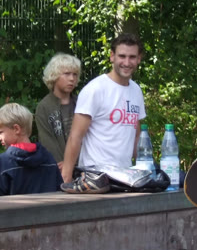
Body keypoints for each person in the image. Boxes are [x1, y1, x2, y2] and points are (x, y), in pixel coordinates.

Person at [60, 33, 146, 187]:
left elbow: (136, 133)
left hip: (125, 176)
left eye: (132, 57)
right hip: (95, 177)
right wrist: (66, 179)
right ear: (112, 56)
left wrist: (145, 167)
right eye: (122, 56)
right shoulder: (95, 89)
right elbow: (75, 137)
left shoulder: (136, 91)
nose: (127, 62)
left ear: (139, 59)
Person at [0, 103, 62, 195]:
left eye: (1, 132)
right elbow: (59, 192)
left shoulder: (3, 162)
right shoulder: (49, 159)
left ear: (16, 129)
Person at [35, 53, 81, 167]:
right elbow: (47, 141)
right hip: (57, 167)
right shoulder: (44, 107)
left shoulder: (81, 103)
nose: (72, 78)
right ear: (54, 75)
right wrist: (64, 164)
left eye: (75, 74)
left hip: (83, 166)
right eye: (67, 74)